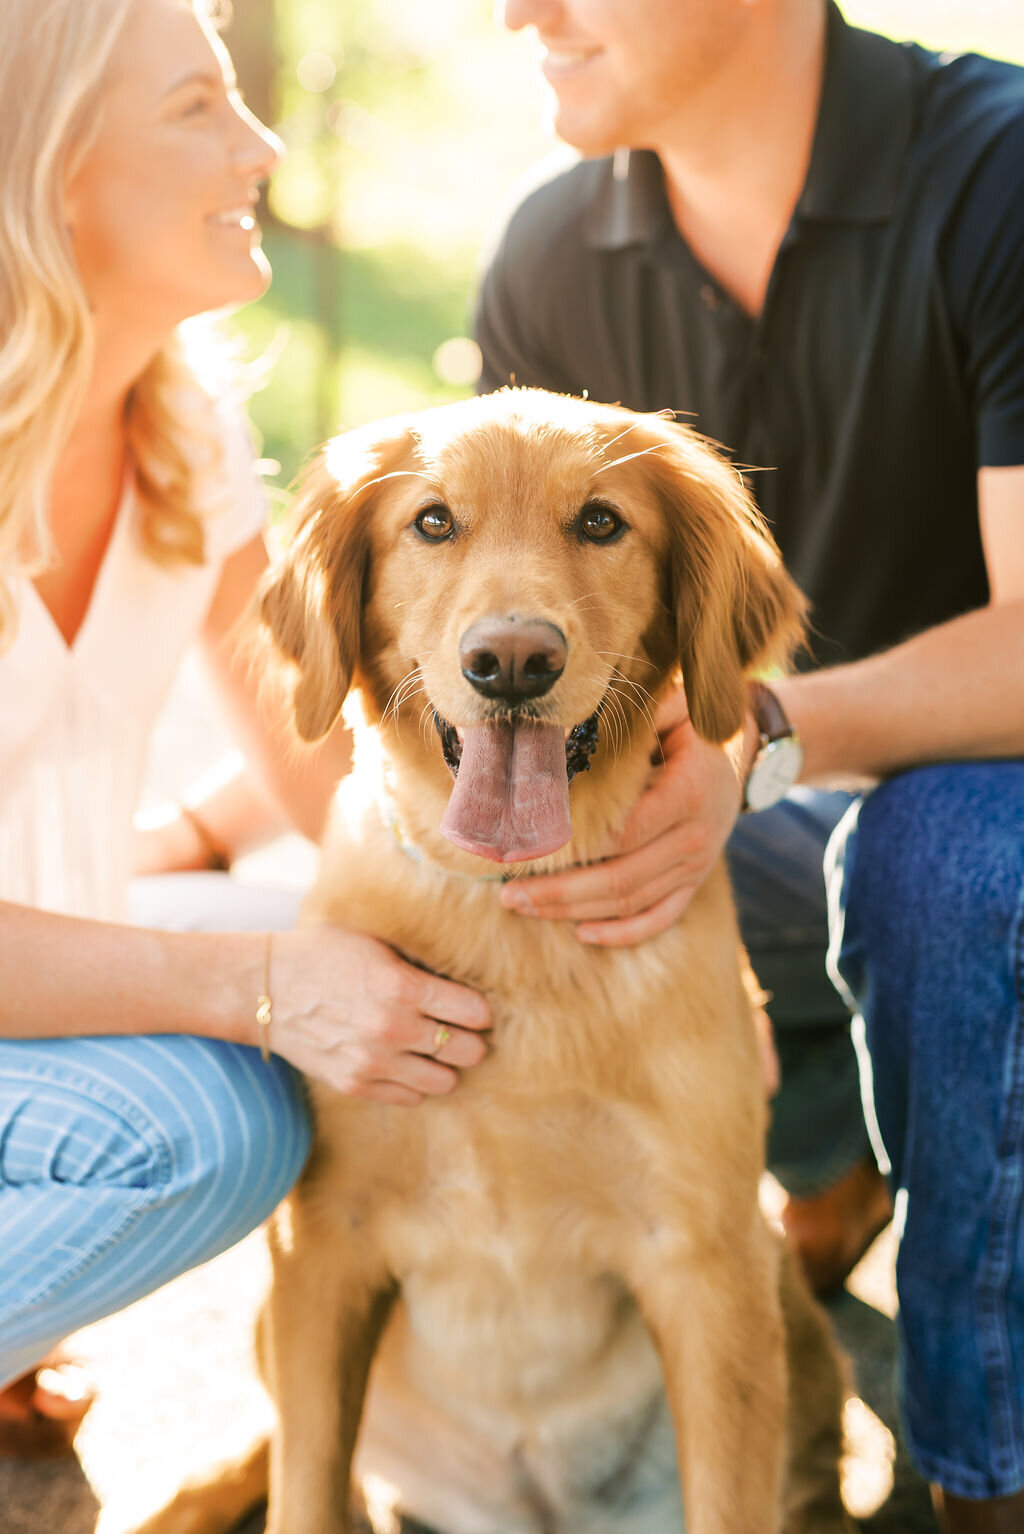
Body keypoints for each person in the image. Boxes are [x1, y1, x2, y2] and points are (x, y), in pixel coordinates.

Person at [475, 0, 1024, 1526]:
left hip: (969, 798)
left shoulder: (998, 173)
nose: (517, 9)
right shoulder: (547, 258)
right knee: (505, 839)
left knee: (950, 861)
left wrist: (761, 734)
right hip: (748, 815)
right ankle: (828, 1148)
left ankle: (984, 1475)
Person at [0, 0, 491, 1456]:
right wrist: (253, 982)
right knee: (214, 1121)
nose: (263, 145)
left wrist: (605, 890)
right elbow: (254, 977)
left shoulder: (186, 442)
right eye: (198, 109)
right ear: (50, 163)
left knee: (396, 952)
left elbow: (340, 774)